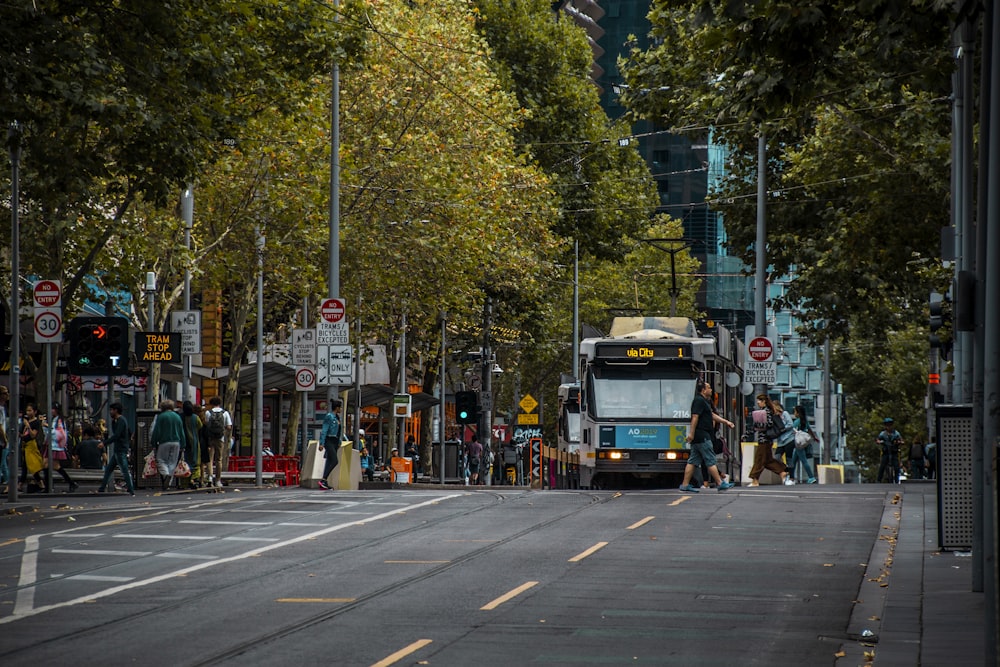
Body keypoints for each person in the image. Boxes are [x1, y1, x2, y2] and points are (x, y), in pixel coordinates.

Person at [679, 381, 735, 492]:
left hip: (699, 436)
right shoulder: (699, 400)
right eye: (709, 388)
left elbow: (712, 415)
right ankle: (720, 483)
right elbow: (695, 417)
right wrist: (691, 433)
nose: (711, 390)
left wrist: (726, 422)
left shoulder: (705, 401)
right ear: (703, 390)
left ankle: (685, 485)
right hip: (702, 435)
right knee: (710, 459)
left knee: (693, 461)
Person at [748, 394, 791, 487]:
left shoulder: (767, 411)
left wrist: (759, 425)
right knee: (768, 461)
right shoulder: (766, 411)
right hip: (766, 440)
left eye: (759, 401)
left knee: (759, 460)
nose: (758, 402)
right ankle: (782, 472)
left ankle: (755, 480)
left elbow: (769, 424)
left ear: (764, 401)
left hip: (765, 440)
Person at [98, 402, 135, 495]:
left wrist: (104, 443)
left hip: (121, 449)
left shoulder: (121, 421)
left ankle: (131, 489)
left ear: (116, 411)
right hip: (118, 449)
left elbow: (117, 435)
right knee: (109, 469)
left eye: (111, 410)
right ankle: (102, 488)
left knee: (124, 470)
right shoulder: (116, 421)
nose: (110, 412)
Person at [150, 399, 184, 491]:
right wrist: (183, 444)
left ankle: (165, 475)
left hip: (164, 442)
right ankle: (169, 479)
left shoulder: (161, 417)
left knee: (161, 460)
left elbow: (156, 431)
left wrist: (153, 442)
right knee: (172, 462)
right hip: (176, 442)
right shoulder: (177, 417)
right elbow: (181, 431)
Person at [46, 403, 78, 492]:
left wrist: (47, 428)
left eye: (53, 409)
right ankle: (48, 486)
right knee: (49, 465)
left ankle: (49, 486)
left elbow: (60, 433)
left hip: (55, 445)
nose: (51, 410)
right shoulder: (53, 419)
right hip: (51, 444)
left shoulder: (59, 420)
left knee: (52, 465)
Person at [203, 396, 232, 489]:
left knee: (210, 459)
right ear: (219, 403)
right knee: (218, 459)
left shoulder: (208, 412)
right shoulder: (225, 413)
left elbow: (206, 424)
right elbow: (229, 426)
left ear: (211, 403)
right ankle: (218, 480)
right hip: (220, 438)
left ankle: (210, 477)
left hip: (210, 438)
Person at [20, 403, 48, 492]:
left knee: (32, 466)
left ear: (35, 411)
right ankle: (20, 484)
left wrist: (28, 426)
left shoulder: (36, 422)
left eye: (30, 410)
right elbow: (21, 433)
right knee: (25, 466)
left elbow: (33, 435)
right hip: (24, 445)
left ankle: (40, 483)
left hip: (31, 446)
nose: (28, 412)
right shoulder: (25, 421)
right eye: (27, 410)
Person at [317, 399, 343, 490]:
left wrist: (339, 441)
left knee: (329, 461)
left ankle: (324, 481)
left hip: (335, 441)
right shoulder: (329, 416)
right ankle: (323, 479)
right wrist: (322, 443)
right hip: (329, 440)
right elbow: (324, 430)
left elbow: (339, 432)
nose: (341, 409)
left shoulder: (338, 418)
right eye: (340, 407)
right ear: (337, 408)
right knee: (335, 461)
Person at [790, 405, 818, 484]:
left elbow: (792, 432)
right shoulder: (805, 421)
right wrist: (814, 437)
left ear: (798, 413)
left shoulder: (796, 422)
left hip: (798, 443)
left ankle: (811, 477)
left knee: (803, 460)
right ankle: (791, 477)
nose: (794, 413)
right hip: (804, 443)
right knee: (793, 461)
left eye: (795, 411)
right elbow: (809, 430)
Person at [180, 400, 203, 488]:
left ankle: (184, 483)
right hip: (194, 442)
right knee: (195, 461)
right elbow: (200, 426)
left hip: (183, 442)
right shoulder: (195, 417)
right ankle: (194, 479)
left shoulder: (180, 417)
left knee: (184, 461)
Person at [876, 417, 904, 483]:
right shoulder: (883, 434)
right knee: (882, 466)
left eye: (890, 425)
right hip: (886, 452)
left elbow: (902, 440)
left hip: (894, 452)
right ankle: (878, 480)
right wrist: (879, 442)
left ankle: (897, 480)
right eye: (887, 425)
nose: (889, 427)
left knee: (896, 467)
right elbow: (877, 440)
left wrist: (899, 442)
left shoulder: (896, 433)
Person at [0, 385, 8, 492]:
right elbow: (0, 427)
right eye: (5, 393)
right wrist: (5, 440)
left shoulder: (3, 408)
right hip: (1, 442)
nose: (7, 395)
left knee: (3, 463)